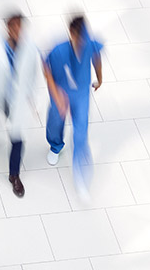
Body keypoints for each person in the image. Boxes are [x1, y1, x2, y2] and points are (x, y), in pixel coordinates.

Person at [0, 11, 41, 197]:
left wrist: (33, 99)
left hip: (17, 98)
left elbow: (32, 75)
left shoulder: (30, 48)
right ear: (7, 28)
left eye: (21, 28)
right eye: (14, 27)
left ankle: (14, 175)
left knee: (18, 136)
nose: (18, 32)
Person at [44, 16, 104, 199]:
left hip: (81, 96)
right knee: (55, 122)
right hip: (61, 94)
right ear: (72, 34)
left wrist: (100, 78)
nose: (82, 42)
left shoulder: (90, 44)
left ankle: (81, 179)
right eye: (79, 38)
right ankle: (55, 146)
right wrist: (56, 95)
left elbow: (96, 56)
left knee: (80, 134)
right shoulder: (59, 50)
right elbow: (46, 70)